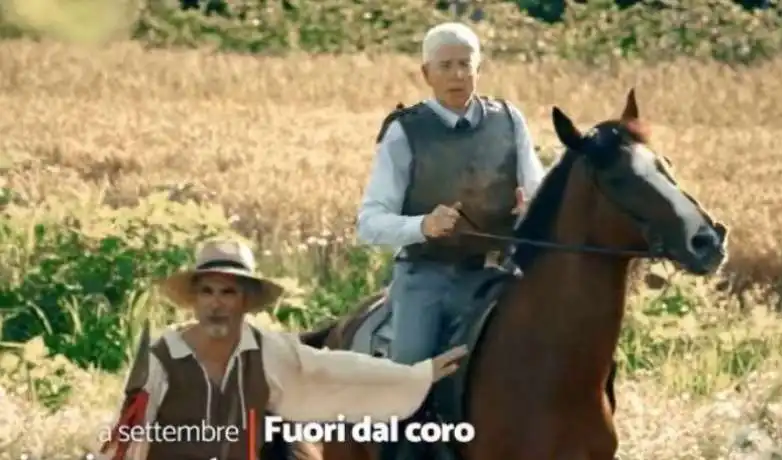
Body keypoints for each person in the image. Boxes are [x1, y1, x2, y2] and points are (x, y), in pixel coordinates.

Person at [357, 21, 547, 460]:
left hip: (496, 274)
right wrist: (422, 225)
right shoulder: (405, 131)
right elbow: (369, 222)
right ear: (427, 74)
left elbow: (535, 185)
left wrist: (530, 211)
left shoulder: (509, 120)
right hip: (426, 278)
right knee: (412, 381)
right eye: (447, 65)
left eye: (466, 64)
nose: (458, 74)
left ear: (479, 68)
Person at [97, 238, 468, 460]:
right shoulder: (163, 356)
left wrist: (418, 374)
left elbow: (337, 369)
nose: (216, 304)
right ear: (194, 299)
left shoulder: (267, 351)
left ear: (244, 301)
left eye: (228, 292)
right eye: (207, 291)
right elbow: (131, 437)